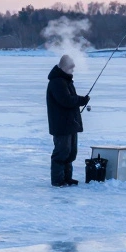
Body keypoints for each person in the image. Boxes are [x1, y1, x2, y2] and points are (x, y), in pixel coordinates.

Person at [46, 54, 90, 187]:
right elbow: (66, 100)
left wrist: (80, 100)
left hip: (70, 123)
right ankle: (58, 180)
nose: (72, 71)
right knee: (62, 152)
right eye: (71, 68)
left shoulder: (66, 81)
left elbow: (71, 98)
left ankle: (67, 178)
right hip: (61, 124)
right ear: (64, 67)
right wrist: (81, 100)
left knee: (71, 153)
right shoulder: (57, 82)